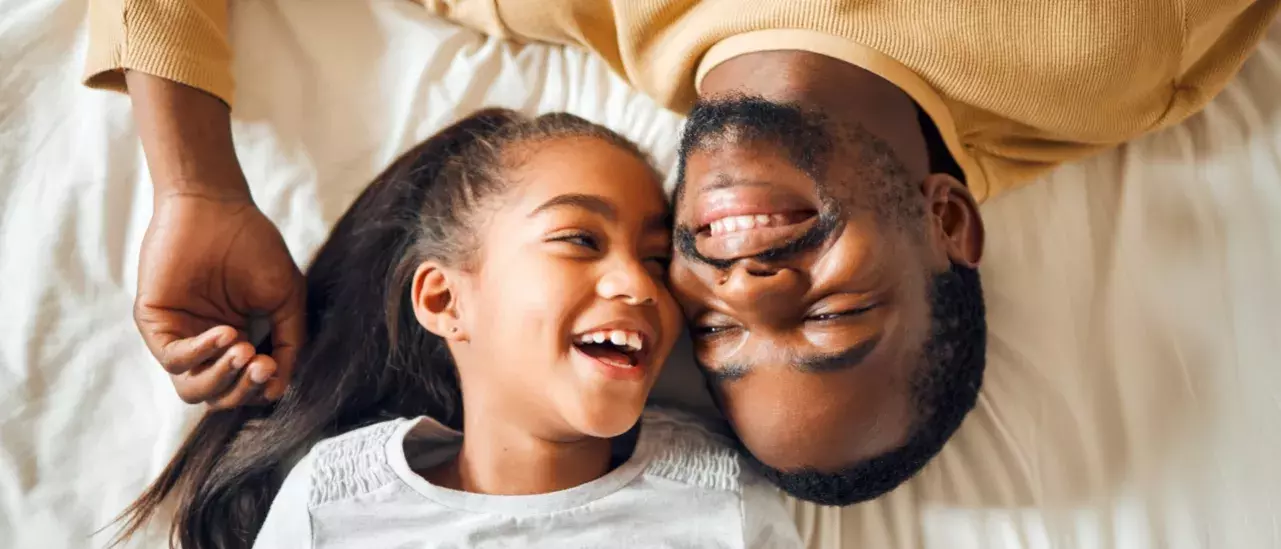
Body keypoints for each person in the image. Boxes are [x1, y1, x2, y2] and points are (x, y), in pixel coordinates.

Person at [84, 0, 1281, 506]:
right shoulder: (1112, 55)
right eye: (832, 317)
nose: (751, 287)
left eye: (716, 332)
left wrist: (192, 180)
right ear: (947, 222)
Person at [111, 108, 804, 549]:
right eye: (579, 240)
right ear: (444, 300)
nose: (638, 285)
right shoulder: (337, 502)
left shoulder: (722, 498)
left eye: (655, 259)